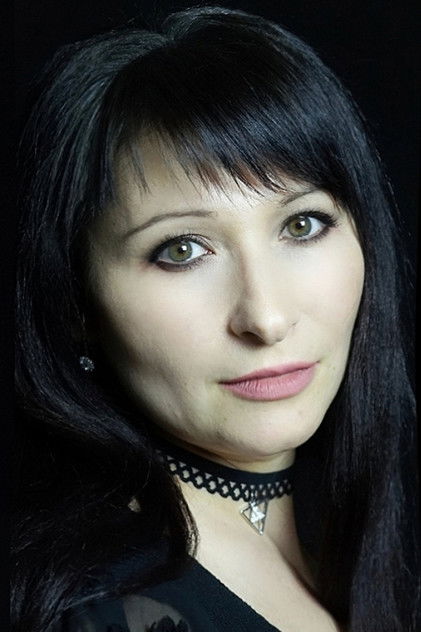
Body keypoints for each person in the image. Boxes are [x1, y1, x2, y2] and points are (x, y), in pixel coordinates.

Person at [13, 5, 419, 632]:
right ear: (76, 305)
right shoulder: (97, 610)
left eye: (302, 225)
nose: (266, 317)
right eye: (181, 250)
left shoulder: (366, 535)